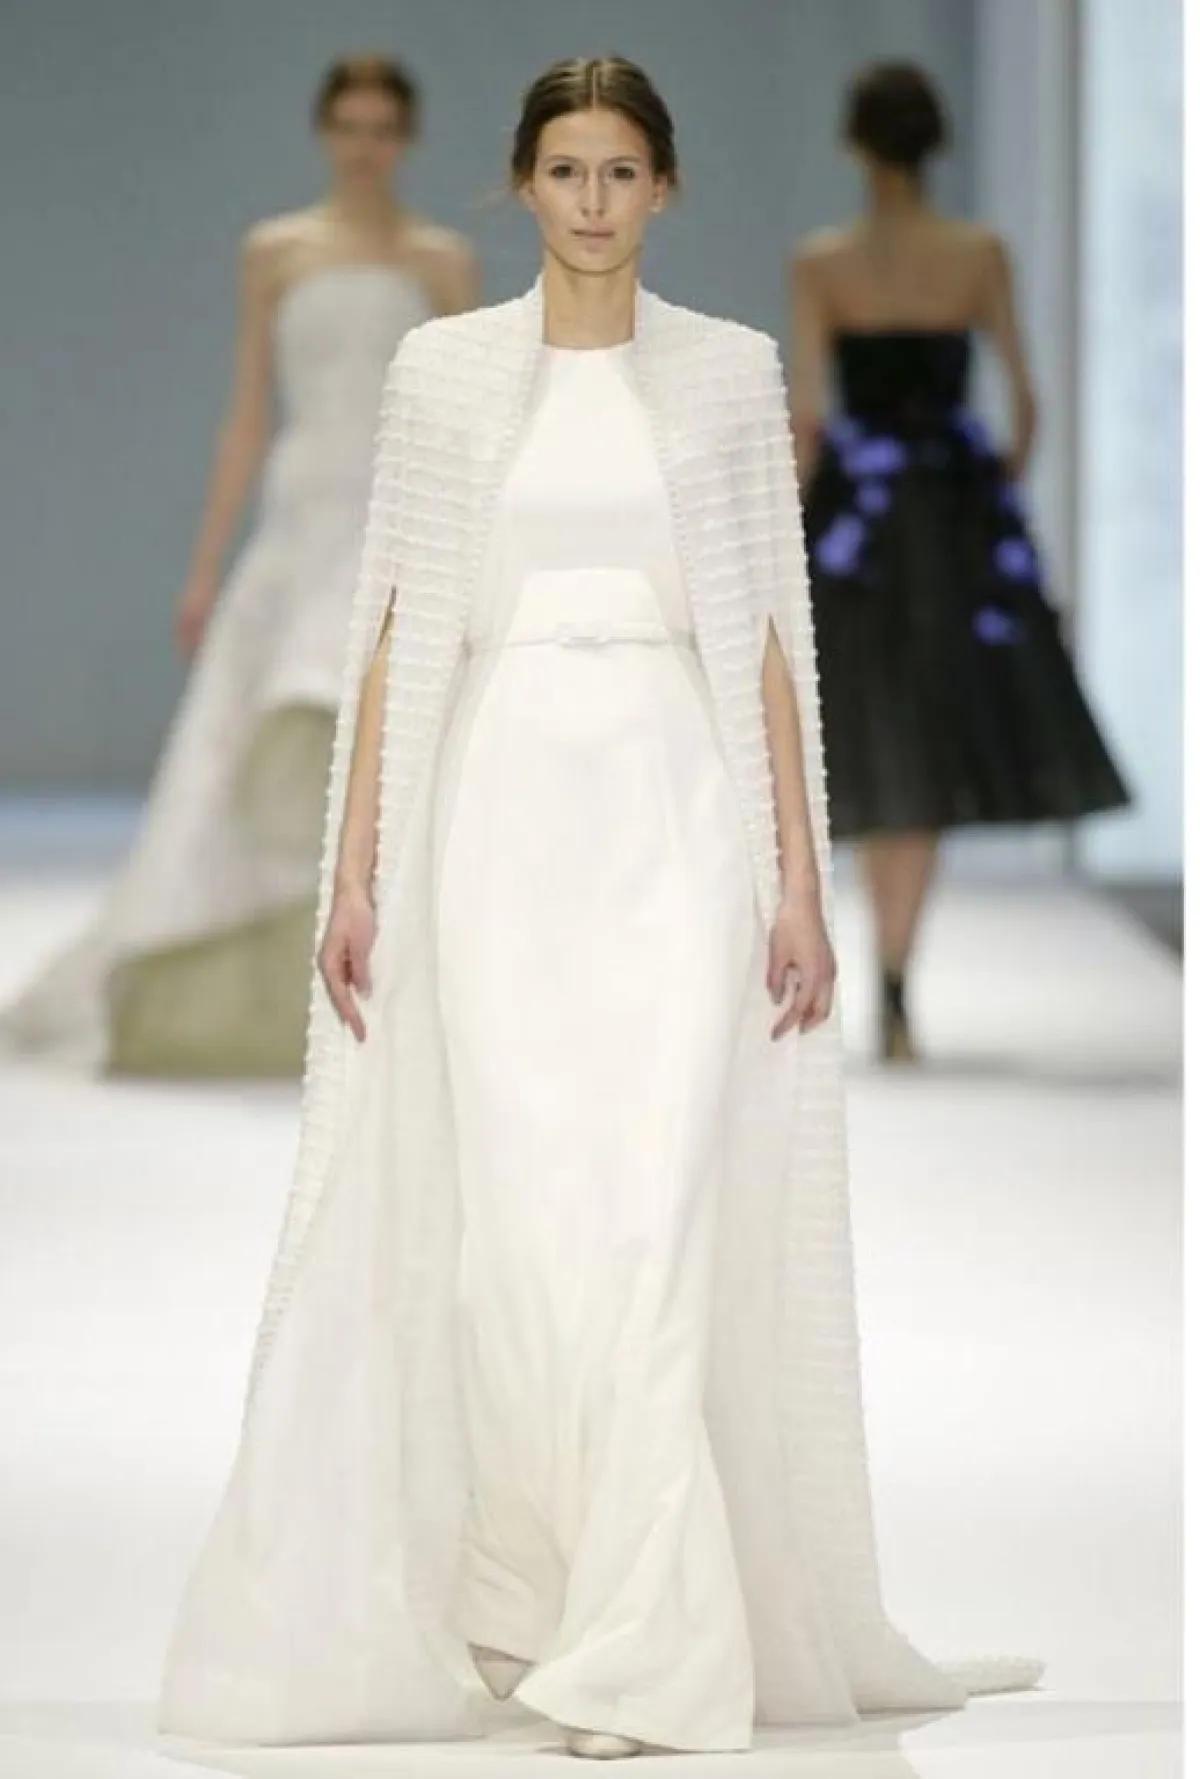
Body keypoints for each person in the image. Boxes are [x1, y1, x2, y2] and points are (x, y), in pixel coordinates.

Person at [156, 57, 1042, 1760]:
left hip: (673, 811)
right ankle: (525, 1587)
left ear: (664, 188)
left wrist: (800, 877)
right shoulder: (441, 374)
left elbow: (768, 639)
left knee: (651, 1212)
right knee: (516, 1227)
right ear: (522, 183)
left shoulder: (727, 373)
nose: (589, 201)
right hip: (495, 822)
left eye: (619, 171)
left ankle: (643, 1642)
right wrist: (357, 866)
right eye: (563, 169)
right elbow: (395, 627)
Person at [0, 55, 478, 1076]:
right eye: (349, 126)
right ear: (323, 132)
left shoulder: (443, 263)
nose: (365, 147)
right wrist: (205, 566)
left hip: (395, 515)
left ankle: (391, 993)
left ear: (406, 138)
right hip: (301, 519)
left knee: (377, 740)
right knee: (267, 738)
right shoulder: (276, 252)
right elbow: (247, 417)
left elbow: (463, 424)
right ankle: (269, 992)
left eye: (382, 128)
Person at [791, 61, 1130, 1063]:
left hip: (857, 524)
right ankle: (897, 978)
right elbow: (1026, 399)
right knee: (931, 743)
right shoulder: (977, 254)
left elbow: (809, 415)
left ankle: (868, 969)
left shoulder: (824, 262)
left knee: (860, 732)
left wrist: (800, 522)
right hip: (950, 514)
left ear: (853, 144)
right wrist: (992, 492)